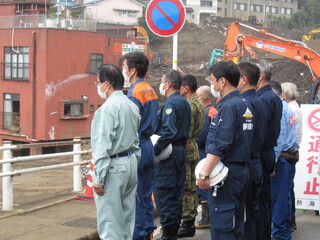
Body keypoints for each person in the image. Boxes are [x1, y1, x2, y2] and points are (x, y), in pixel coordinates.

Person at [197, 61, 254, 240]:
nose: (212, 85)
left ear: (222, 81)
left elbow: (220, 144)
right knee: (235, 225)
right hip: (240, 172)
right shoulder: (244, 104)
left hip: (226, 176)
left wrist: (204, 175)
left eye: (213, 80)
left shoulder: (228, 107)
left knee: (224, 228)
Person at [91, 64, 141, 240]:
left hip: (113, 167)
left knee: (110, 222)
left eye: (98, 82)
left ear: (107, 84)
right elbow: (136, 139)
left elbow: (102, 145)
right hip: (130, 163)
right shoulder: (131, 105)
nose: (98, 87)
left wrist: (98, 177)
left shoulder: (107, 109)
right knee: (127, 219)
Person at [122, 51, 158, 240]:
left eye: (125, 67)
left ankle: (139, 235)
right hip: (148, 146)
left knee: (134, 198)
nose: (124, 71)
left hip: (137, 146)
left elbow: (130, 125)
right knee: (145, 194)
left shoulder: (134, 92)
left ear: (133, 70)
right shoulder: (150, 89)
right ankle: (148, 232)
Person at [153, 69, 191, 240]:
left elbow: (168, 131)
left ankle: (168, 234)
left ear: (168, 84)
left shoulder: (170, 104)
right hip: (179, 151)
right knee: (176, 194)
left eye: (162, 81)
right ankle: (172, 232)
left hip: (168, 153)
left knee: (164, 194)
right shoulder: (184, 102)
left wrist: (155, 149)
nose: (161, 85)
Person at [237, 61, 267, 240]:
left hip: (248, 164)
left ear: (244, 79)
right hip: (256, 162)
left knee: (246, 217)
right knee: (252, 214)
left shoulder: (246, 104)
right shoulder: (258, 101)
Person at [256, 60, 283, 240]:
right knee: (263, 201)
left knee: (259, 203)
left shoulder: (263, 99)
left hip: (261, 152)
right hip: (267, 152)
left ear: (260, 76)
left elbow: (260, 132)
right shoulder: (273, 97)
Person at [270, 80, 299, 240]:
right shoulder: (287, 107)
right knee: (284, 196)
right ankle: (284, 229)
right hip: (289, 157)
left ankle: (280, 233)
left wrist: (271, 164)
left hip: (281, 159)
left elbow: (278, 140)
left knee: (279, 198)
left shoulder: (279, 109)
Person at [177, 74, 204, 238]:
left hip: (188, 149)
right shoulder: (199, 102)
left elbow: (186, 131)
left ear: (186, 88)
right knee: (192, 187)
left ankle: (187, 222)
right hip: (195, 147)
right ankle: (189, 220)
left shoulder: (189, 106)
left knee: (187, 187)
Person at [195, 85, 217, 229]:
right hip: (213, 152)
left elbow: (201, 136)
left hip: (204, 152)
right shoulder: (215, 111)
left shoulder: (205, 113)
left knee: (203, 186)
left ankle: (205, 218)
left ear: (202, 98)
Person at [281, 82, 302, 231]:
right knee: (289, 188)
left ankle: (288, 221)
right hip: (293, 150)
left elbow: (285, 135)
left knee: (285, 190)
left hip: (287, 152)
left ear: (285, 94)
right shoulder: (295, 108)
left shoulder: (289, 109)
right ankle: (290, 221)